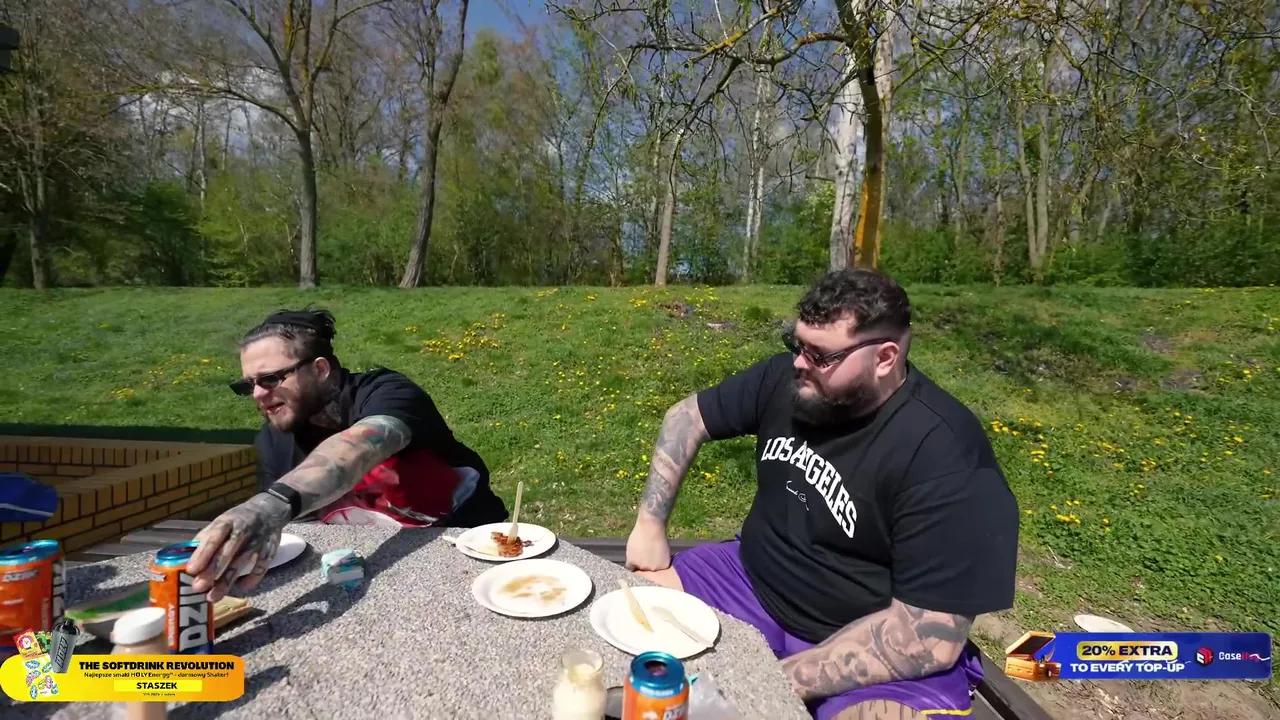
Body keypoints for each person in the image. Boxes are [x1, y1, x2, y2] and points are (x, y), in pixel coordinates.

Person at [625, 269, 1020, 720]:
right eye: (797, 344)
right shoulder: (791, 380)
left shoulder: (946, 455)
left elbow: (929, 638)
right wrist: (649, 525)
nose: (799, 362)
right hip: (749, 581)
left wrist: (772, 680)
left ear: (885, 357)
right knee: (624, 621)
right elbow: (686, 417)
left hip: (869, 638)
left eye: (820, 354)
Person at [186, 308, 507, 602]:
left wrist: (269, 505)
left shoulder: (386, 392)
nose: (257, 394)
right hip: (368, 569)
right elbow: (301, 532)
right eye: (248, 385)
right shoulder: (274, 441)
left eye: (270, 379)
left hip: (471, 551)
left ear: (320, 369)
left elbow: (359, 446)